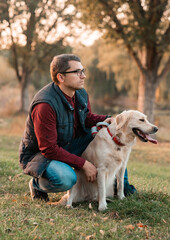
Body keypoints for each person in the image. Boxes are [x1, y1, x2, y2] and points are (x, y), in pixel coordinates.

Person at [19, 54, 136, 202]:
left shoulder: (80, 93)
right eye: (77, 72)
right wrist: (84, 164)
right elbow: (48, 148)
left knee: (113, 139)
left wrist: (106, 120)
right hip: (42, 156)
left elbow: (86, 118)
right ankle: (37, 184)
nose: (83, 76)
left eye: (83, 70)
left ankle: (123, 186)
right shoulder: (45, 104)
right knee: (66, 179)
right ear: (61, 77)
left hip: (71, 143)